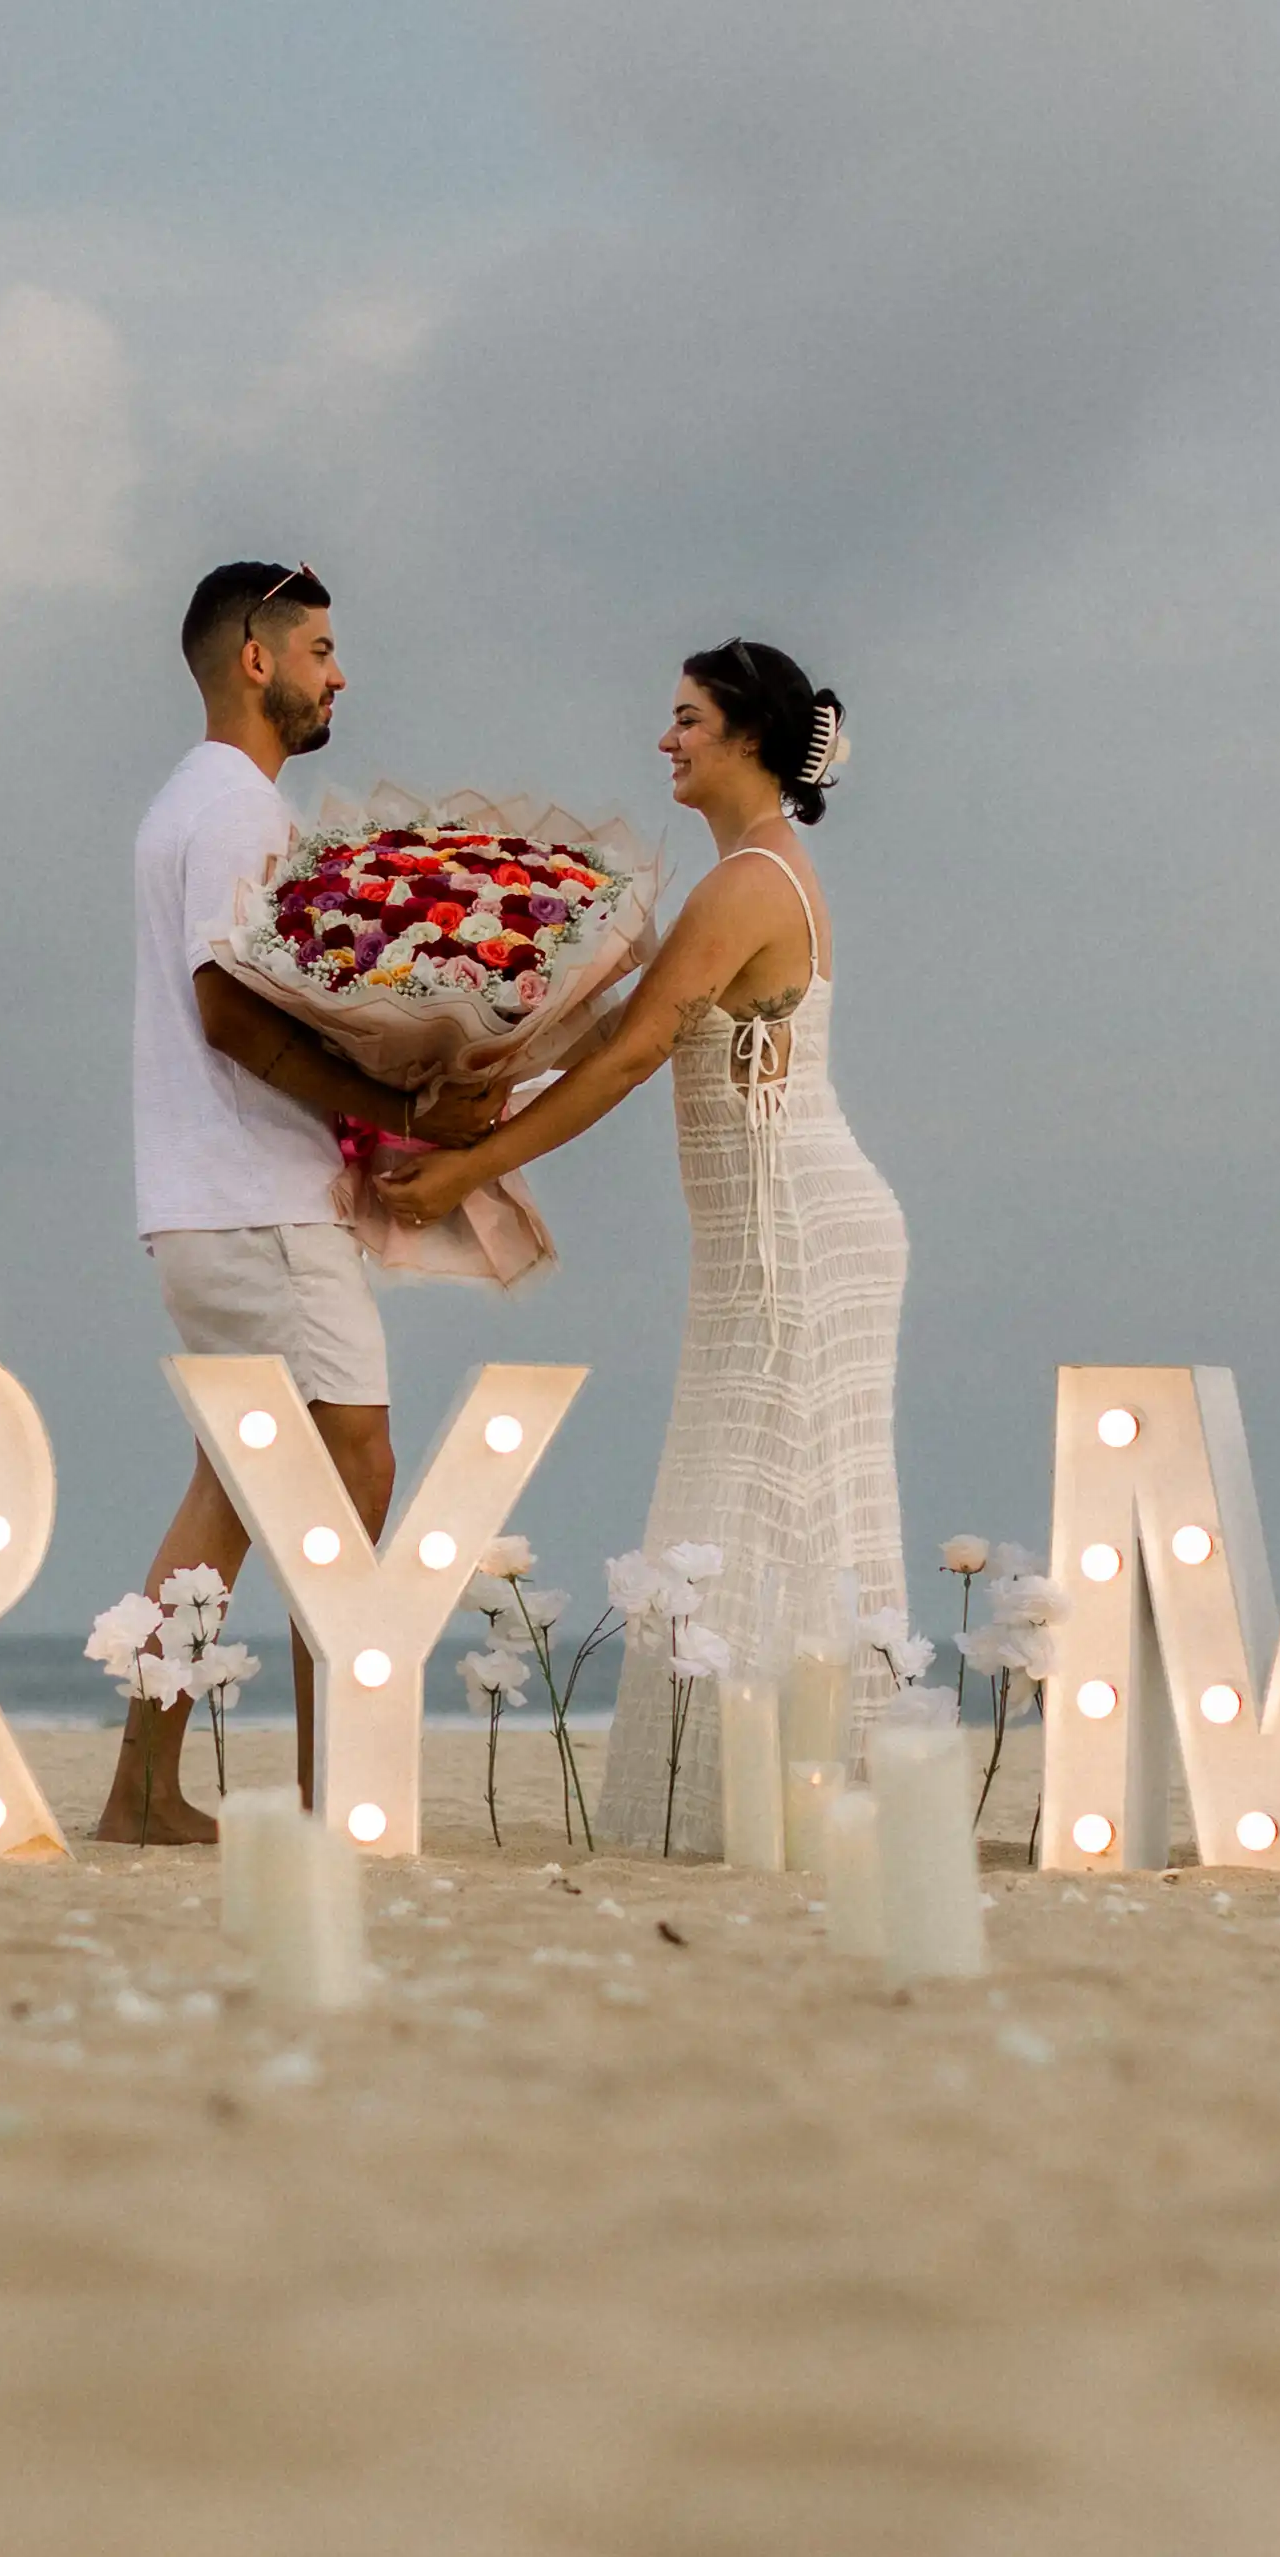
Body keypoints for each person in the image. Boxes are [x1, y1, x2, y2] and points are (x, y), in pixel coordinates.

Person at [377, 641, 903, 1853]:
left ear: (748, 738)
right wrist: (479, 1067)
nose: (664, 741)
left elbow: (630, 1054)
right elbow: (609, 1021)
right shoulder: (741, 878)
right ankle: (762, 1804)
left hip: (795, 1237)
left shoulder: (750, 882)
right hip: (776, 1233)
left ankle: (767, 1811)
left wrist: (468, 1167)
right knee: (750, 1512)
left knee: (751, 1508)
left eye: (685, 720)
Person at [105, 562, 482, 1847]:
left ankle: (145, 1788)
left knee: (230, 1489)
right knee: (354, 1467)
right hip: (259, 1200)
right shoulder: (233, 811)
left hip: (200, 1202)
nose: (340, 675)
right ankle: (338, 1790)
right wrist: (386, 1108)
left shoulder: (185, 804)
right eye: (322, 648)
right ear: (255, 660)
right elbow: (226, 1006)